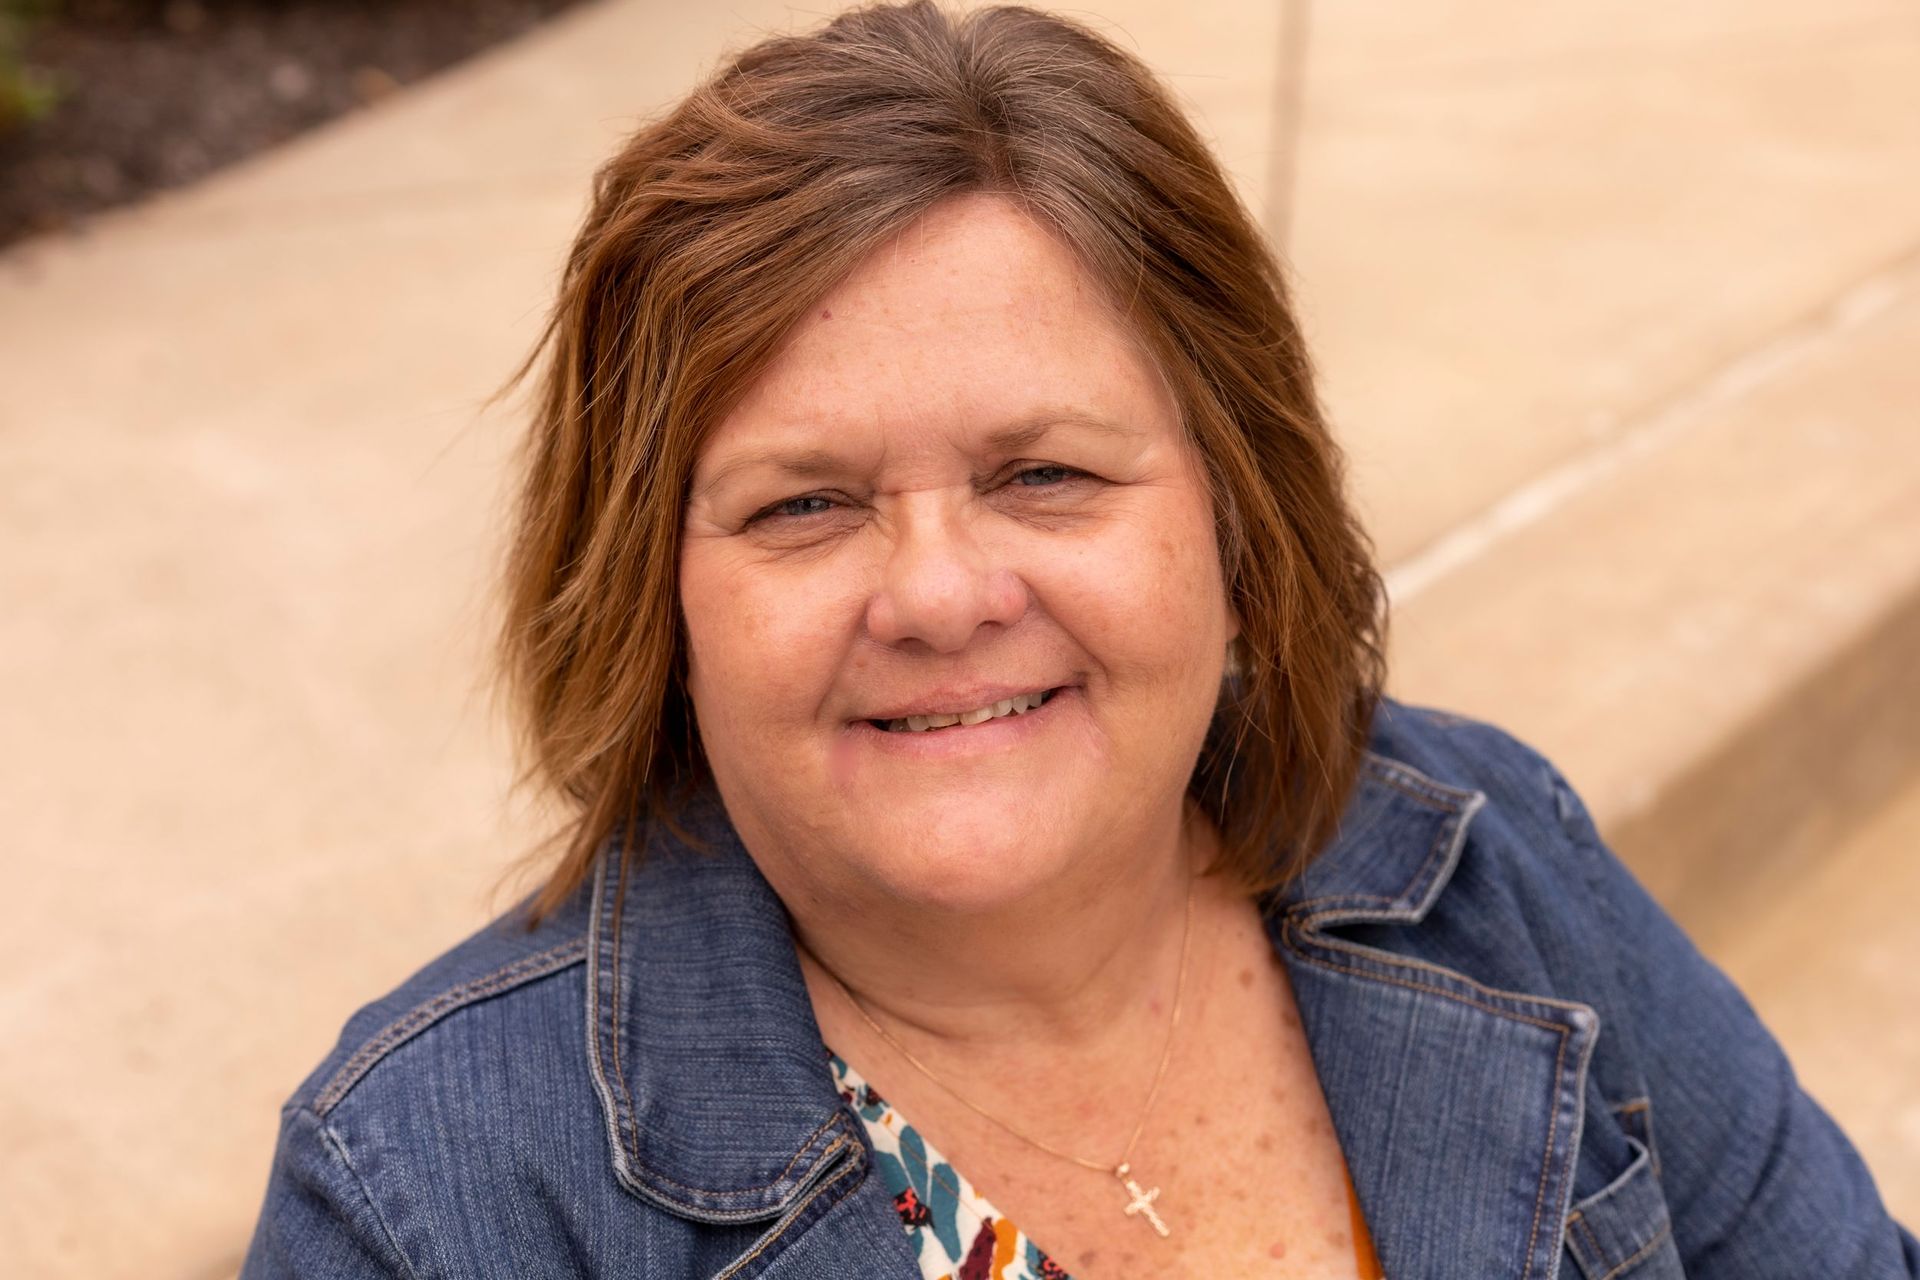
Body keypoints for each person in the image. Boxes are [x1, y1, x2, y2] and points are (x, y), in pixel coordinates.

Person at [240, 3, 1919, 1277]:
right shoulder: (436, 1197)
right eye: (804, 507)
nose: (941, 593)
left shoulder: (1482, 862)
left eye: (1042, 473)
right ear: (654, 599)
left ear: (1237, 519)